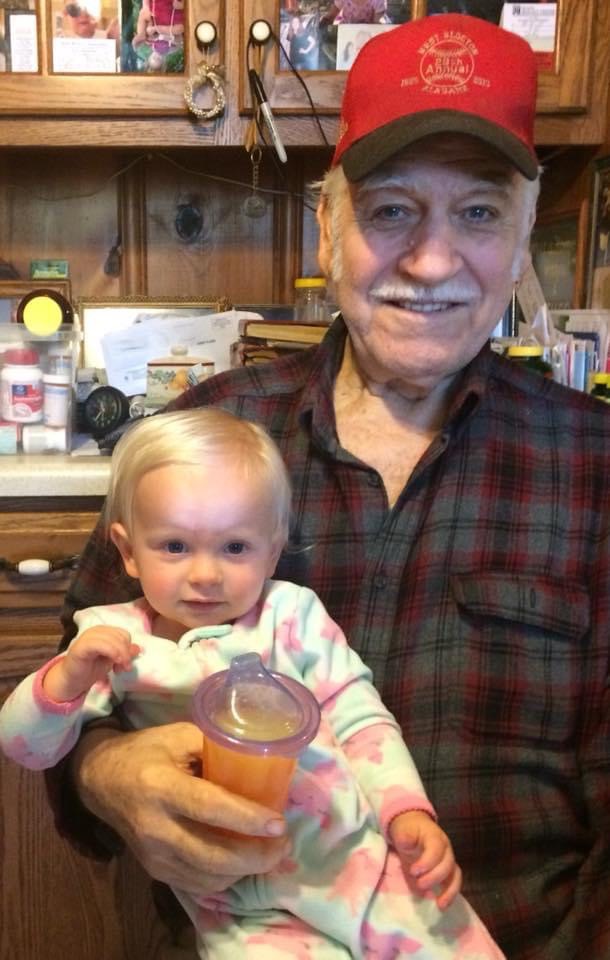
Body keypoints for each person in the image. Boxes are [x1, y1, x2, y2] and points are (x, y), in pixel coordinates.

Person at [48, 13, 610, 960]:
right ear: (327, 227)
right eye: (391, 210)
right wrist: (112, 777)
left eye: (479, 214)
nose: (432, 262)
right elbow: (74, 704)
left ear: (522, 240)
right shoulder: (203, 435)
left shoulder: (595, 467)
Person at [1, 408, 504, 959]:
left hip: (361, 861)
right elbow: (25, 747)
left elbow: (361, 719)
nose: (205, 575)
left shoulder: (292, 617)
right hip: (240, 902)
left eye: (235, 548)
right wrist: (65, 679)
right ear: (127, 551)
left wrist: (405, 809)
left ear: (273, 550)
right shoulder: (112, 643)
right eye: (174, 546)